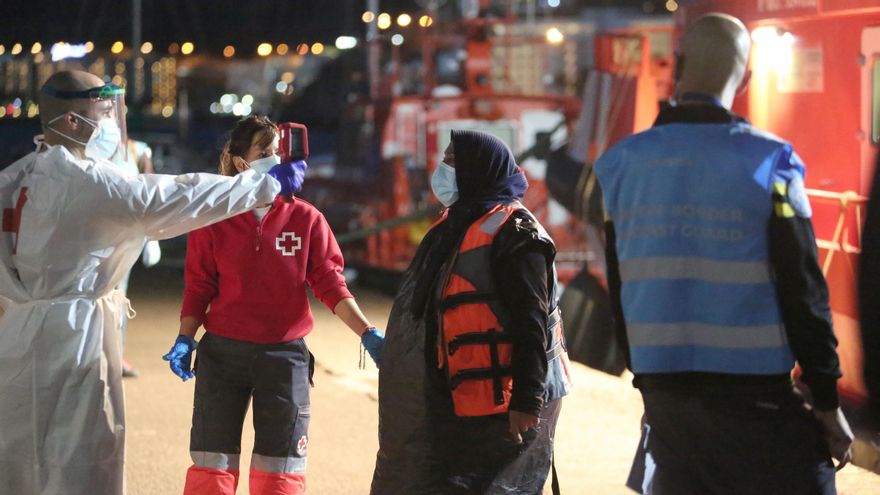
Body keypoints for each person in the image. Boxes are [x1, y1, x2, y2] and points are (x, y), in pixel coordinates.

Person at [0, 70, 301, 494]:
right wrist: (264, 183)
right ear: (71, 120)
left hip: (17, 334)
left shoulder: (16, 178)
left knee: (17, 457)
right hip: (72, 336)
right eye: (103, 113)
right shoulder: (88, 182)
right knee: (77, 460)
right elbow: (177, 196)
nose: (111, 124)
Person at [594, 14, 854, 494]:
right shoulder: (772, 162)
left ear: (678, 66)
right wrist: (825, 399)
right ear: (746, 81)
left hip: (664, 395)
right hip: (755, 397)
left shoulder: (620, 165)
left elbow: (620, 285)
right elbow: (804, 287)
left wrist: (647, 382)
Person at [162, 115, 384, 495]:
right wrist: (185, 337)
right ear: (239, 162)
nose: (275, 160)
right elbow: (199, 286)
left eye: (279, 152)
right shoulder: (214, 218)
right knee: (210, 472)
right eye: (264, 152)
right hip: (223, 357)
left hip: (284, 359)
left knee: (279, 476)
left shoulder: (306, 219)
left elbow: (330, 283)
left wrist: (367, 332)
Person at [370, 130, 572, 494]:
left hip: (506, 404)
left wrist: (527, 401)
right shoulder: (458, 223)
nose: (442, 168)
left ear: (478, 169)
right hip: (463, 398)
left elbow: (532, 323)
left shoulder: (517, 234)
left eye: (451, 161)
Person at [113, 136, 161, 377]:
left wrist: (152, 236)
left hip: (125, 239)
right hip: (96, 235)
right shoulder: (89, 148)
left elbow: (150, 188)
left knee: (118, 299)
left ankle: (116, 356)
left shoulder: (138, 149)